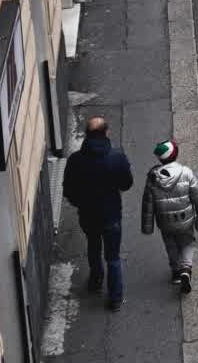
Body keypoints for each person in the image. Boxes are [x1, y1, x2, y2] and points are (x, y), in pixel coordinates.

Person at [62, 117, 134, 309]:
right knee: (113, 257)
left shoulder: (75, 160)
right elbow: (127, 184)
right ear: (106, 133)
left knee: (93, 246)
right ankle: (115, 298)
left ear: (87, 135)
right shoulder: (117, 157)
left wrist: (80, 204)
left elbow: (68, 190)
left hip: (87, 215)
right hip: (111, 214)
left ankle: (95, 281)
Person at [140, 140, 198, 295]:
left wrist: (147, 226)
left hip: (165, 223)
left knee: (171, 246)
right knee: (187, 243)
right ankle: (186, 269)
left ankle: (176, 273)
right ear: (175, 155)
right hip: (185, 221)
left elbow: (148, 204)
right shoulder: (186, 172)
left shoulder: (153, 177)